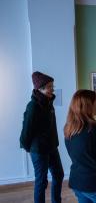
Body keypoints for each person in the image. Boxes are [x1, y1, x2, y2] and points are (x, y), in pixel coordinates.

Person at [20, 71, 64, 203]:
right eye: (50, 86)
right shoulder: (33, 106)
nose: (52, 89)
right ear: (40, 88)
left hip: (51, 147)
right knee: (41, 181)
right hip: (39, 150)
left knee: (59, 175)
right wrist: (30, 148)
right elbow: (26, 131)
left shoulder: (48, 103)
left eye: (52, 86)